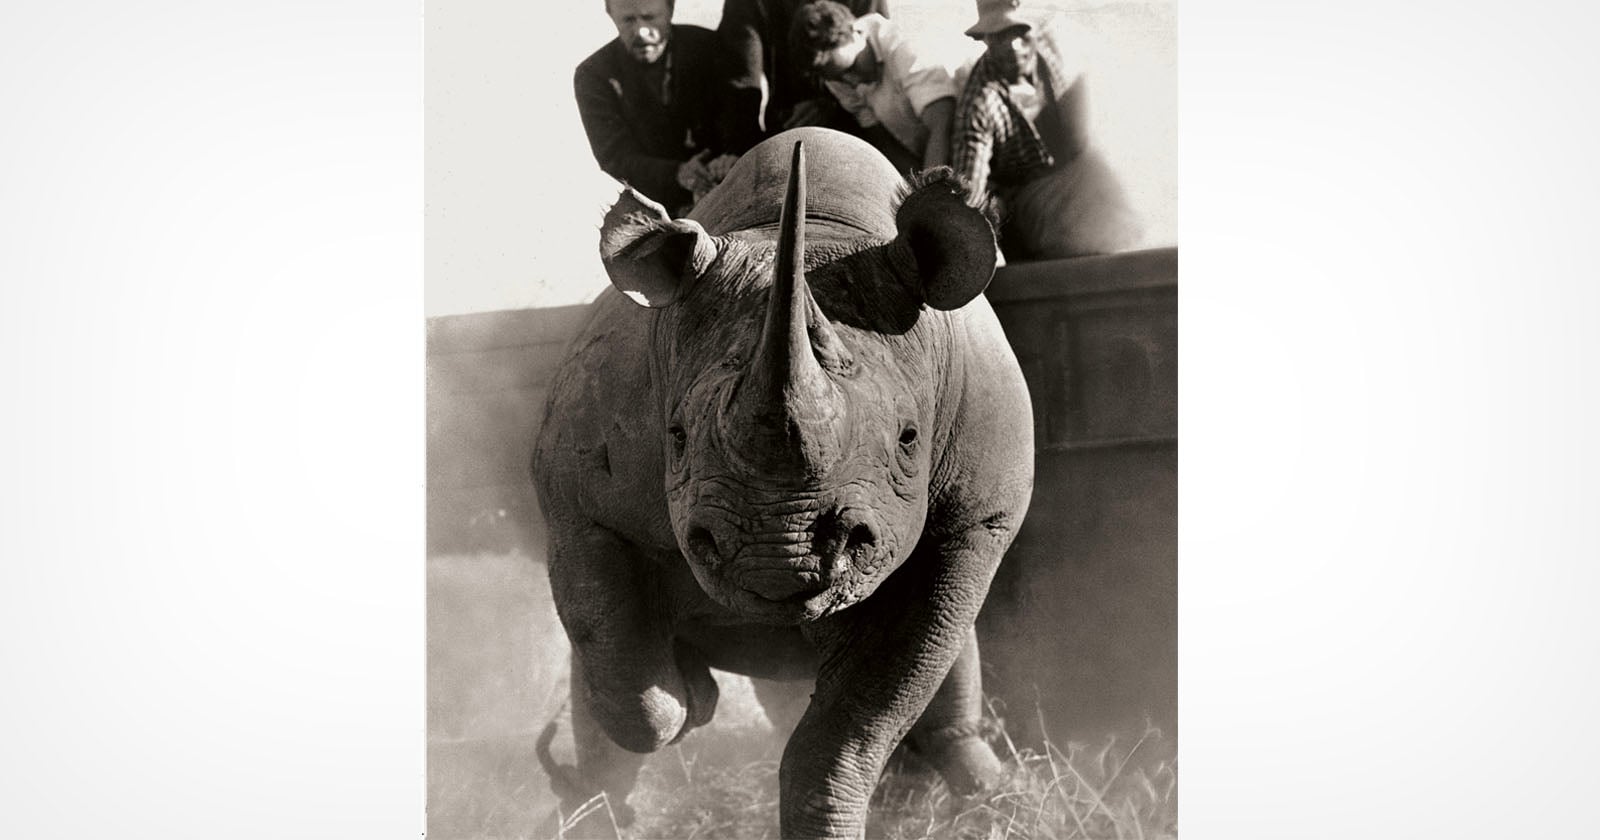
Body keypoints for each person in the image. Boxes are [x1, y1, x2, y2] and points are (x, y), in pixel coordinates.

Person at [952, 0, 1142, 258]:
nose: (1012, 46)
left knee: (1115, 168)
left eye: (1017, 32)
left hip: (1077, 173)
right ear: (984, 40)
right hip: (1028, 198)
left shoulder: (1056, 46)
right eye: (998, 38)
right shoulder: (979, 103)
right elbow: (970, 185)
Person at [575, 0, 740, 214]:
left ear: (670, 10)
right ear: (611, 15)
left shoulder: (710, 47)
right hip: (657, 211)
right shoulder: (593, 74)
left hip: (729, 192)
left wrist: (732, 156)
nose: (641, 32)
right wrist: (678, 174)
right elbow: (615, 158)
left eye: (650, 17)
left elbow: (740, 112)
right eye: (628, 20)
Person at [789, 1, 983, 173]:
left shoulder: (906, 48)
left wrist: (929, 195)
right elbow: (881, 139)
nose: (852, 81)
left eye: (852, 67)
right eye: (839, 76)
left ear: (858, 33)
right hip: (936, 156)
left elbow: (942, 124)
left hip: (982, 146)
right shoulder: (837, 77)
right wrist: (913, 190)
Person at [718, 0, 890, 152]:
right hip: (785, 125)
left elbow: (879, 61)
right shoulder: (746, 4)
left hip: (853, 121)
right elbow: (743, 76)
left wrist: (829, 104)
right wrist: (739, 152)